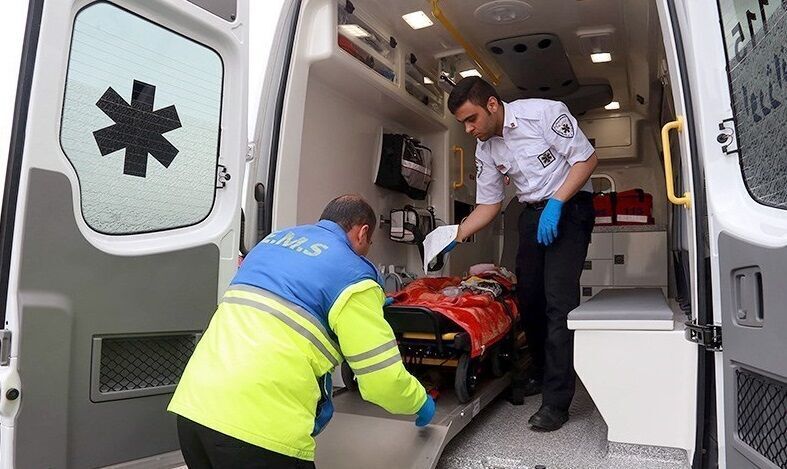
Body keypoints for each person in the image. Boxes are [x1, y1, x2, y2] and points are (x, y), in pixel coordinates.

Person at [168, 195, 435, 468]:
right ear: (362, 232)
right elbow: (383, 380)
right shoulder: (354, 276)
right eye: (370, 242)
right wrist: (419, 401)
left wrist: (369, 304)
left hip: (194, 412)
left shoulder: (270, 244)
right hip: (259, 430)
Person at [446, 77, 597, 431]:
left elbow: (586, 160)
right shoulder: (485, 149)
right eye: (463, 123)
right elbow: (489, 204)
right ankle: (542, 373)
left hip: (569, 207)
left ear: (492, 105)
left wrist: (557, 203)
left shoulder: (544, 114)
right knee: (528, 298)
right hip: (531, 213)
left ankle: (557, 400)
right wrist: (455, 235)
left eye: (471, 119)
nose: (468, 129)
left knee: (558, 302)